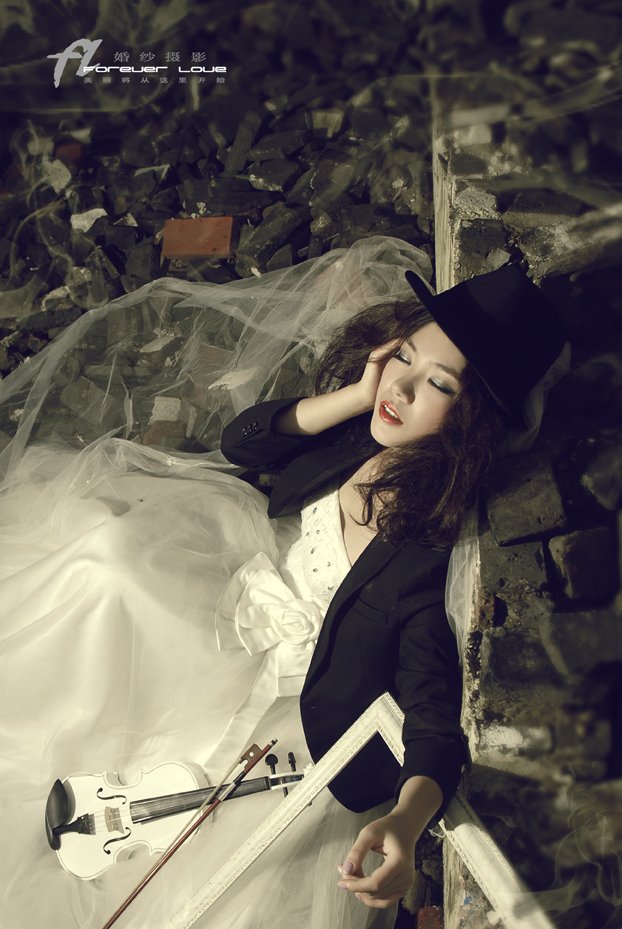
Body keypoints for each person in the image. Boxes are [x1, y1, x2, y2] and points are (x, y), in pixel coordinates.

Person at [0, 236, 567, 929]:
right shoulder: (363, 434)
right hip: (230, 591)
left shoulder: (421, 555)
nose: (402, 389)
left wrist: (406, 818)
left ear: (470, 418)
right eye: (405, 358)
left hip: (291, 694)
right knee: (109, 563)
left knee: (201, 870)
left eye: (439, 385)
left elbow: (431, 715)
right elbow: (242, 442)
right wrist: (353, 396)